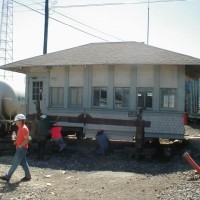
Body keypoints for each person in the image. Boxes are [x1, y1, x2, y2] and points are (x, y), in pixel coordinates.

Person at [0, 114, 31, 182]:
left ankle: (7, 176)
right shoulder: (21, 127)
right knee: (23, 163)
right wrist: (16, 141)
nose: (15, 122)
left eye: (16, 121)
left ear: (20, 121)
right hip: (21, 148)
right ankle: (28, 176)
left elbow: (27, 139)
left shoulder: (24, 128)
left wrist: (20, 145)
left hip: (21, 149)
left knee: (15, 163)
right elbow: (22, 138)